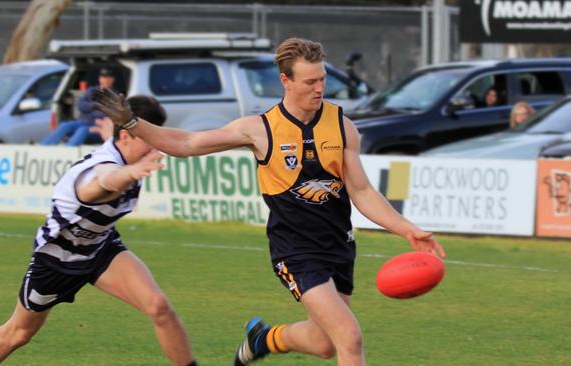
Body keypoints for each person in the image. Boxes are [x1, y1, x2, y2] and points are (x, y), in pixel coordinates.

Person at [93, 37, 446, 366]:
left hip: (338, 244)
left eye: (322, 79)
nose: (320, 88)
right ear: (285, 81)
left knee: (325, 344)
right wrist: (134, 123)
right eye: (310, 82)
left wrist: (407, 229)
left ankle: (264, 339)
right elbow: (187, 143)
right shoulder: (259, 129)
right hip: (294, 248)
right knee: (349, 338)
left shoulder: (342, 126)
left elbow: (363, 192)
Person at [0, 96, 197, 366]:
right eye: (149, 138)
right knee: (18, 333)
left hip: (100, 248)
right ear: (126, 137)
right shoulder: (104, 166)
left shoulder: (127, 149)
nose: (157, 145)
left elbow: (186, 141)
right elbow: (102, 181)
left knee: (159, 307)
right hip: (56, 259)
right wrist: (131, 172)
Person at [41, 68, 115, 146]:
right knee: (64, 125)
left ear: (112, 79)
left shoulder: (114, 96)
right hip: (84, 122)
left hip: (100, 128)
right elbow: (80, 105)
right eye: (104, 77)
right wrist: (94, 105)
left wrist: (90, 108)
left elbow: (103, 115)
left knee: (82, 130)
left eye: (109, 78)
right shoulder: (91, 90)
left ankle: (67, 152)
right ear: (100, 79)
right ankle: (43, 148)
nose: (106, 80)